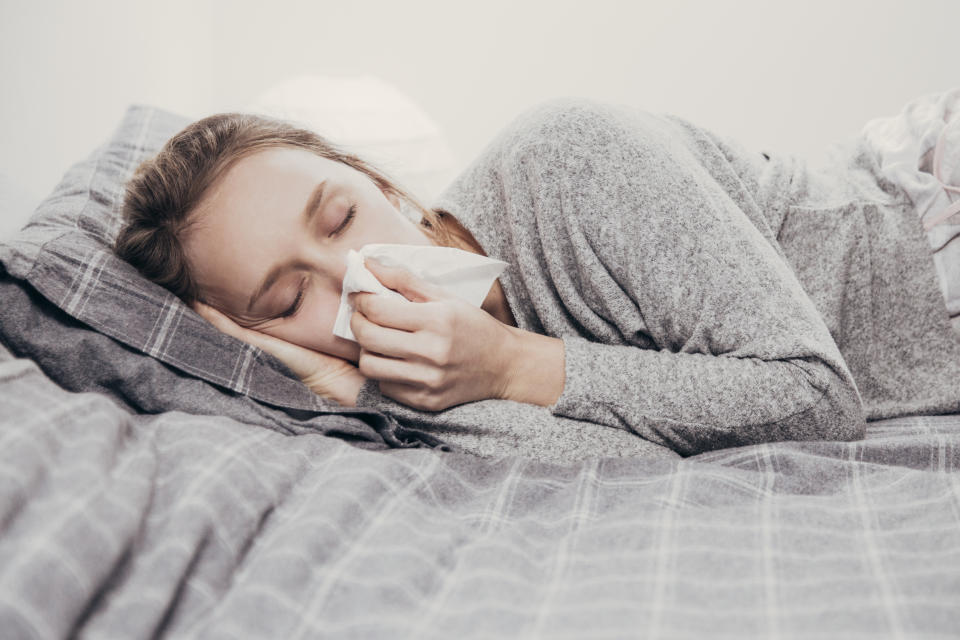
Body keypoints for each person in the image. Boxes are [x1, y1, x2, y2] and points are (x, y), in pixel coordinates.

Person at [114, 91, 960, 457]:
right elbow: (632, 466)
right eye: (291, 298)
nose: (353, 271)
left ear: (376, 181)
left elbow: (816, 398)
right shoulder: (415, 386)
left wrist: (514, 365)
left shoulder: (568, 155)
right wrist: (349, 388)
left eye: (340, 215)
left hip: (916, 228)